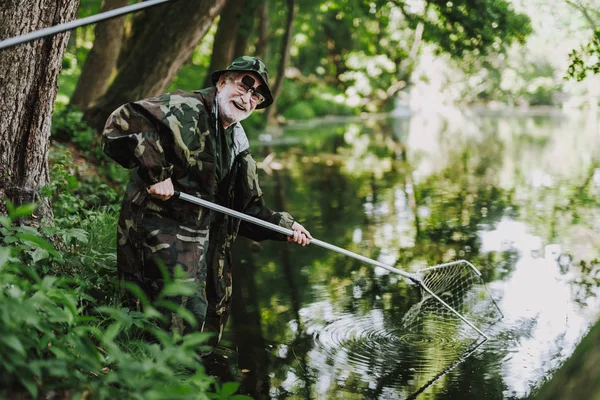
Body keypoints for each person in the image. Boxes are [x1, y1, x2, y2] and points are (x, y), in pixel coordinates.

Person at [102, 56, 312, 348]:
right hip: (157, 235)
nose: (247, 98)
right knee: (168, 324)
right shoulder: (186, 108)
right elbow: (120, 121)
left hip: (206, 244)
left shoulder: (238, 139)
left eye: (256, 95)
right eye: (245, 85)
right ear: (223, 81)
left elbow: (247, 209)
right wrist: (155, 173)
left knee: (206, 324)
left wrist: (286, 227)